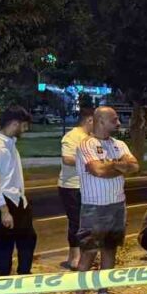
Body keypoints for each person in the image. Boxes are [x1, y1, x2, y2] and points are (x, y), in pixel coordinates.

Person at [71, 106, 139, 294]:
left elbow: (135, 166)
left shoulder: (119, 144)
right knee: (89, 252)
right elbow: (97, 170)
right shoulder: (86, 145)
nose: (118, 123)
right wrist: (119, 166)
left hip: (117, 205)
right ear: (100, 121)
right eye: (114, 120)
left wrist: (111, 165)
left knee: (110, 250)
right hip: (94, 207)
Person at [0, 106, 36, 277]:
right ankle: (4, 285)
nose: (26, 129)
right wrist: (4, 211)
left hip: (19, 200)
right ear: (15, 124)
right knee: (4, 246)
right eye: (24, 125)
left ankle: (23, 278)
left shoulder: (10, 144)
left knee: (28, 240)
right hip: (5, 202)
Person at [57, 106, 95, 271]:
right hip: (71, 186)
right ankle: (75, 258)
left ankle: (77, 256)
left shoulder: (90, 137)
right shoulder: (72, 137)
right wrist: (90, 163)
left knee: (85, 223)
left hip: (85, 186)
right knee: (76, 222)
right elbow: (67, 159)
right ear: (90, 120)